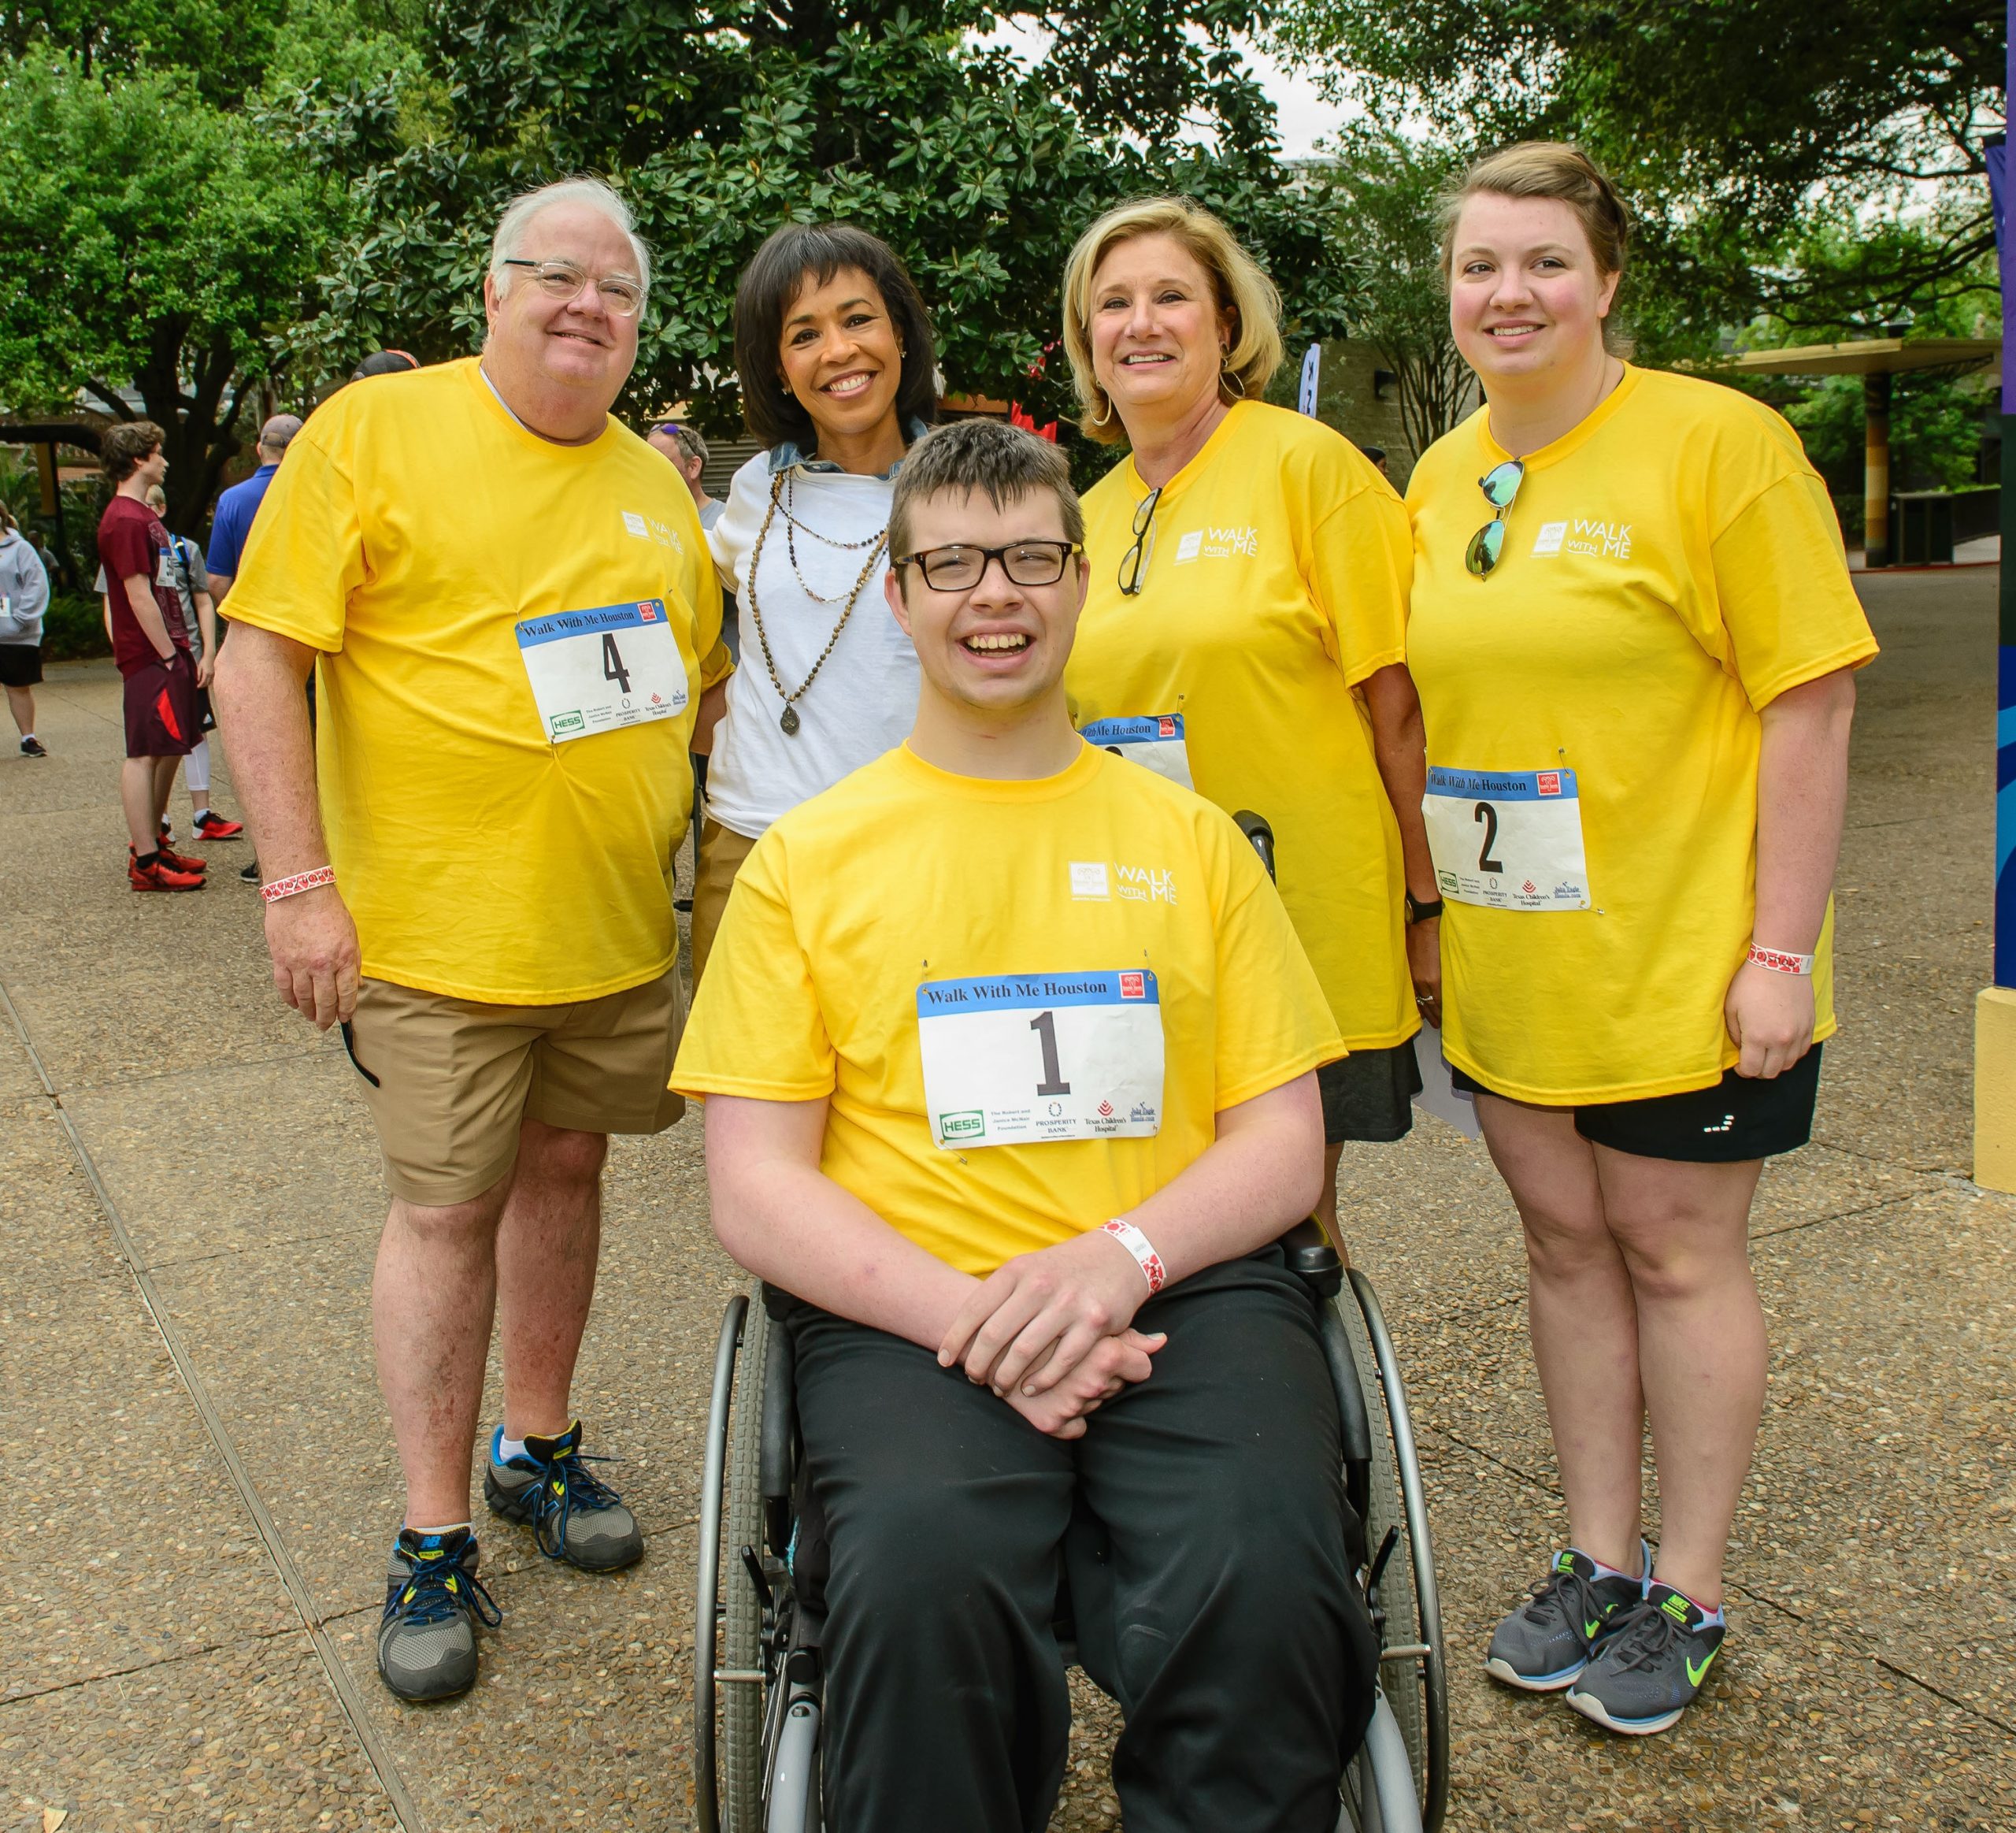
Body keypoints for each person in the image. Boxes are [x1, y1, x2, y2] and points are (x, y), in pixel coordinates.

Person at [674, 418, 1378, 1831]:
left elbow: (1283, 1141)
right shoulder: (809, 861)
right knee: (919, 1574)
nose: (994, 594)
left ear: (1077, 580)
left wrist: (1114, 1260)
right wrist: (972, 1319)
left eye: (1030, 558)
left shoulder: (1191, 841)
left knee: (1265, 1564)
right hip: (907, 1305)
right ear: (897, 595)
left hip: (1177, 1282)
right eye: (951, 564)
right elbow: (756, 1186)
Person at [213, 177, 729, 1703]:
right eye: (553, 274)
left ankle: (538, 1443)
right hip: (435, 939)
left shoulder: (655, 487)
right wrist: (297, 882)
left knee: (568, 1171)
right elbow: (258, 661)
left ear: (639, 323)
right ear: (490, 289)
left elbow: (687, 692)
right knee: (446, 1208)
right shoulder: (374, 433)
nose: (584, 305)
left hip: (610, 936)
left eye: (616, 289)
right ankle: (431, 1531)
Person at [1403, 143, 1877, 1735]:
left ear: (1606, 281)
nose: (1507, 292)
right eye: (1479, 265)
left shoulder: (1719, 447)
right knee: (1559, 1249)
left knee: (1676, 1253)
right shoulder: (1437, 472)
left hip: (1683, 959)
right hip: (1515, 960)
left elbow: (1807, 704)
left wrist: (1778, 948)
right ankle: (1592, 1552)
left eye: (1541, 262)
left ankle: (1687, 1583)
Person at [1058, 196, 1437, 1241]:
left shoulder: (1311, 469)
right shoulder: (1081, 518)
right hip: (1139, 918)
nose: (1141, 322)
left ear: (1226, 325)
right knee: (1152, 1218)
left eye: (1171, 296)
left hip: (1303, 915)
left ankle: (1305, 1403)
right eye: (1113, 303)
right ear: (1086, 340)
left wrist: (1426, 903)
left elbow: (1398, 710)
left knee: (1284, 1226)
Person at [692, 221, 939, 980]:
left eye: (858, 318)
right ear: (779, 366)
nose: (837, 350)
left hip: (913, 843)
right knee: (748, 1090)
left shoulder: (963, 487)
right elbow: (696, 610)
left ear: (899, 332)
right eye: (805, 333)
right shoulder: (754, 487)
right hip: (752, 839)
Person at [96, 422, 208, 891]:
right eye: (159, 453)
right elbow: (136, 592)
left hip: (167, 652)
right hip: (150, 656)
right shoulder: (123, 519)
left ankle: (156, 846)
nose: (165, 460)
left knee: (167, 749)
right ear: (139, 459)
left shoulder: (142, 515)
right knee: (143, 753)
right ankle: (145, 860)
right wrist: (166, 654)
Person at [146, 484, 243, 844]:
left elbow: (203, 599)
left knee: (196, 730)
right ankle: (159, 818)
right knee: (158, 737)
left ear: (162, 508)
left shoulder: (185, 550)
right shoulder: (128, 550)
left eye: (150, 507)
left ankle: (202, 814)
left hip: (187, 653)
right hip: (151, 659)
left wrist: (208, 653)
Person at [205, 414, 302, 607]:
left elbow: (217, 581)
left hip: (254, 620)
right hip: (310, 621)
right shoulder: (323, 496)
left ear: (259, 450)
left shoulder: (231, 500)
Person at [0, 502, 50, 757]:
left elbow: (37, 585)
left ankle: (28, 737)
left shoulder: (20, 549)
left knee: (18, 686)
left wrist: (21, 619)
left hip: (16, 633)